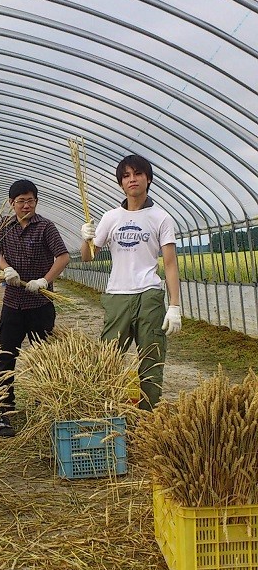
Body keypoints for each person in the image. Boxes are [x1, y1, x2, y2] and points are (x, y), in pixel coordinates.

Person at [80, 154, 181, 410]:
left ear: (148, 179)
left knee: (151, 359)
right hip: (118, 295)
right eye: (126, 176)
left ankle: (147, 417)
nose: (132, 179)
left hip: (149, 295)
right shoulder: (111, 217)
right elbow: (88, 257)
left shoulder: (161, 218)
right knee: (108, 359)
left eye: (137, 174)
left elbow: (170, 264)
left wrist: (174, 306)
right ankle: (106, 411)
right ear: (120, 183)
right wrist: (87, 238)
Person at [0, 179, 70, 437]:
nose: (26, 205)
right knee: (4, 358)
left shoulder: (46, 227)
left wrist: (45, 280)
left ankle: (46, 406)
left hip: (40, 304)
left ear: (36, 201)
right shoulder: (5, 225)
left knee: (44, 360)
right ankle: (3, 411)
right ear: (12, 203)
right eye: (20, 201)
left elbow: (63, 256)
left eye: (30, 200)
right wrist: (6, 268)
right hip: (12, 304)